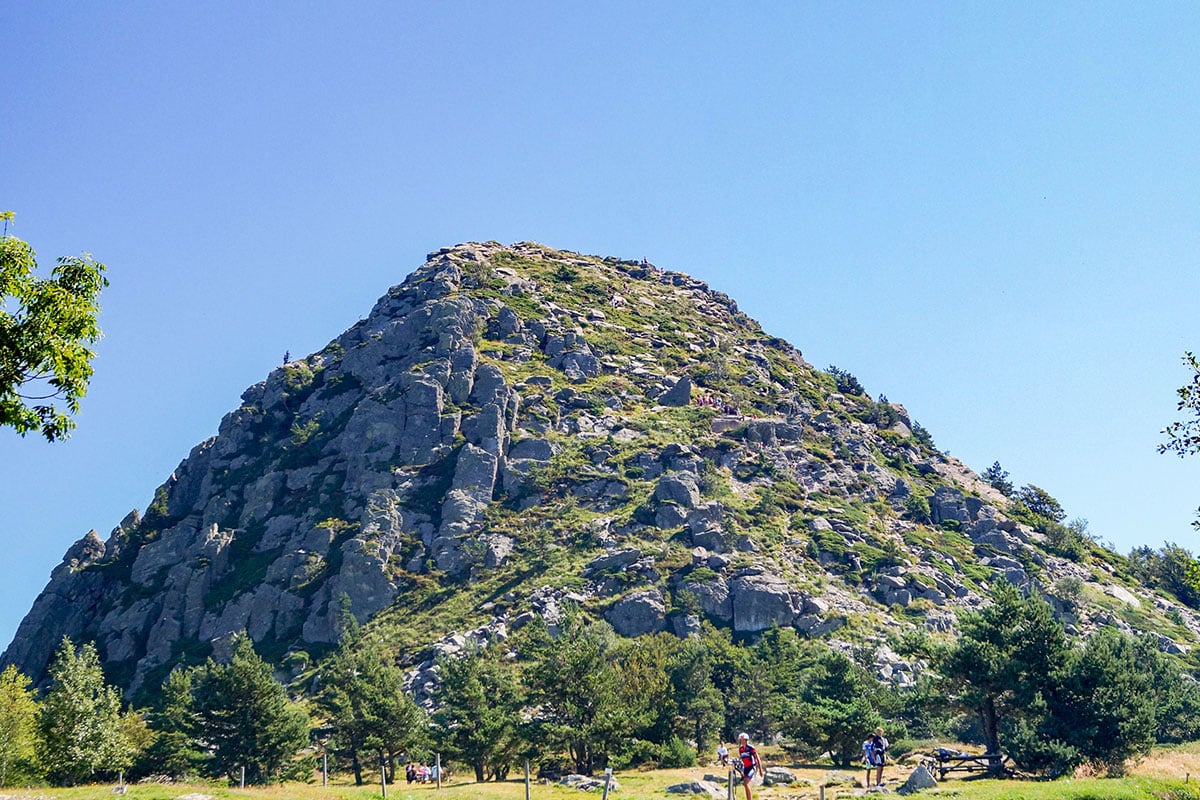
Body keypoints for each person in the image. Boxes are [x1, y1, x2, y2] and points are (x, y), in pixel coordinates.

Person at [736, 733, 762, 800]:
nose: (741, 741)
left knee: (747, 782)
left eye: (743, 740)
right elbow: (742, 760)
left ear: (746, 740)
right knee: (745, 784)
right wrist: (741, 770)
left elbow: (757, 758)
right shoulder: (741, 749)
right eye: (740, 740)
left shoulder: (751, 748)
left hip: (752, 767)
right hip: (745, 767)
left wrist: (760, 770)